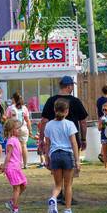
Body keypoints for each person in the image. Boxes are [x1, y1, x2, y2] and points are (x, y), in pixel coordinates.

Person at [38, 75, 89, 203]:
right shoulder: (75, 102)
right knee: (70, 169)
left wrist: (41, 140)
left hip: (54, 141)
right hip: (71, 140)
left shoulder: (51, 101)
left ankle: (59, 193)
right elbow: (83, 122)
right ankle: (67, 196)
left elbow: (43, 121)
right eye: (72, 86)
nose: (72, 88)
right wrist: (83, 139)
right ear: (69, 86)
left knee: (57, 170)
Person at [43, 97, 80, 213]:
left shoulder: (48, 125)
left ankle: (53, 198)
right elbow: (74, 143)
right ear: (67, 111)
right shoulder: (70, 124)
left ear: (54, 110)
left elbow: (47, 144)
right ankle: (68, 211)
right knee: (68, 185)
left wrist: (47, 159)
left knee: (58, 185)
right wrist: (77, 160)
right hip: (67, 155)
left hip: (54, 155)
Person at [2, 115, 28, 213]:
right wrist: (4, 166)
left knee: (24, 184)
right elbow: (8, 155)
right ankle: (15, 211)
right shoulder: (11, 141)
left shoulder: (16, 139)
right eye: (17, 128)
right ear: (12, 130)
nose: (19, 130)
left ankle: (12, 202)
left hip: (16, 168)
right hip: (12, 168)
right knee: (17, 189)